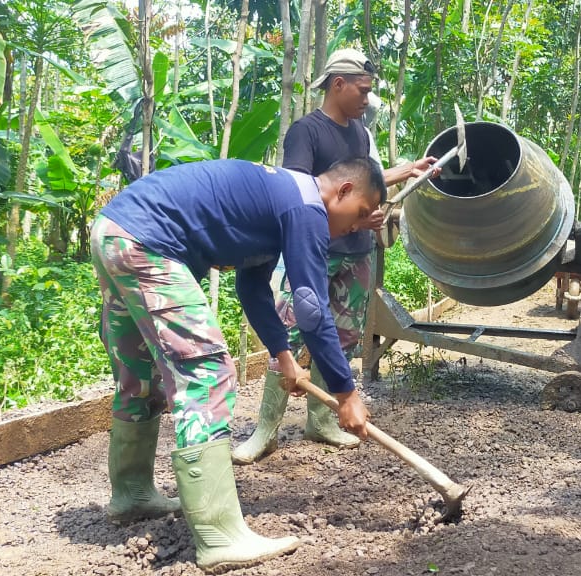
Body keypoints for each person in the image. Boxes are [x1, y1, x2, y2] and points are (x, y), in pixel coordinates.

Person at [90, 157, 385, 571]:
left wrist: (285, 359)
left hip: (115, 231)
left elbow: (252, 288)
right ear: (344, 190)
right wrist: (346, 392)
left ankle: (132, 493)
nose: (353, 228)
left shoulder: (281, 203)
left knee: (139, 372)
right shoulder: (306, 208)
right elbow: (313, 308)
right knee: (208, 373)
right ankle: (219, 535)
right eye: (356, 216)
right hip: (148, 241)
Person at [234, 48, 436, 464]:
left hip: (356, 252)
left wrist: (405, 172)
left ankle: (322, 422)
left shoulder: (360, 134)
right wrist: (355, 219)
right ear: (337, 84)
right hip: (312, 250)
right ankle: (265, 431)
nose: (367, 100)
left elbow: (360, 182)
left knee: (341, 340)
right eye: (362, 91)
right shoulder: (305, 132)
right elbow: (300, 190)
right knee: (287, 336)